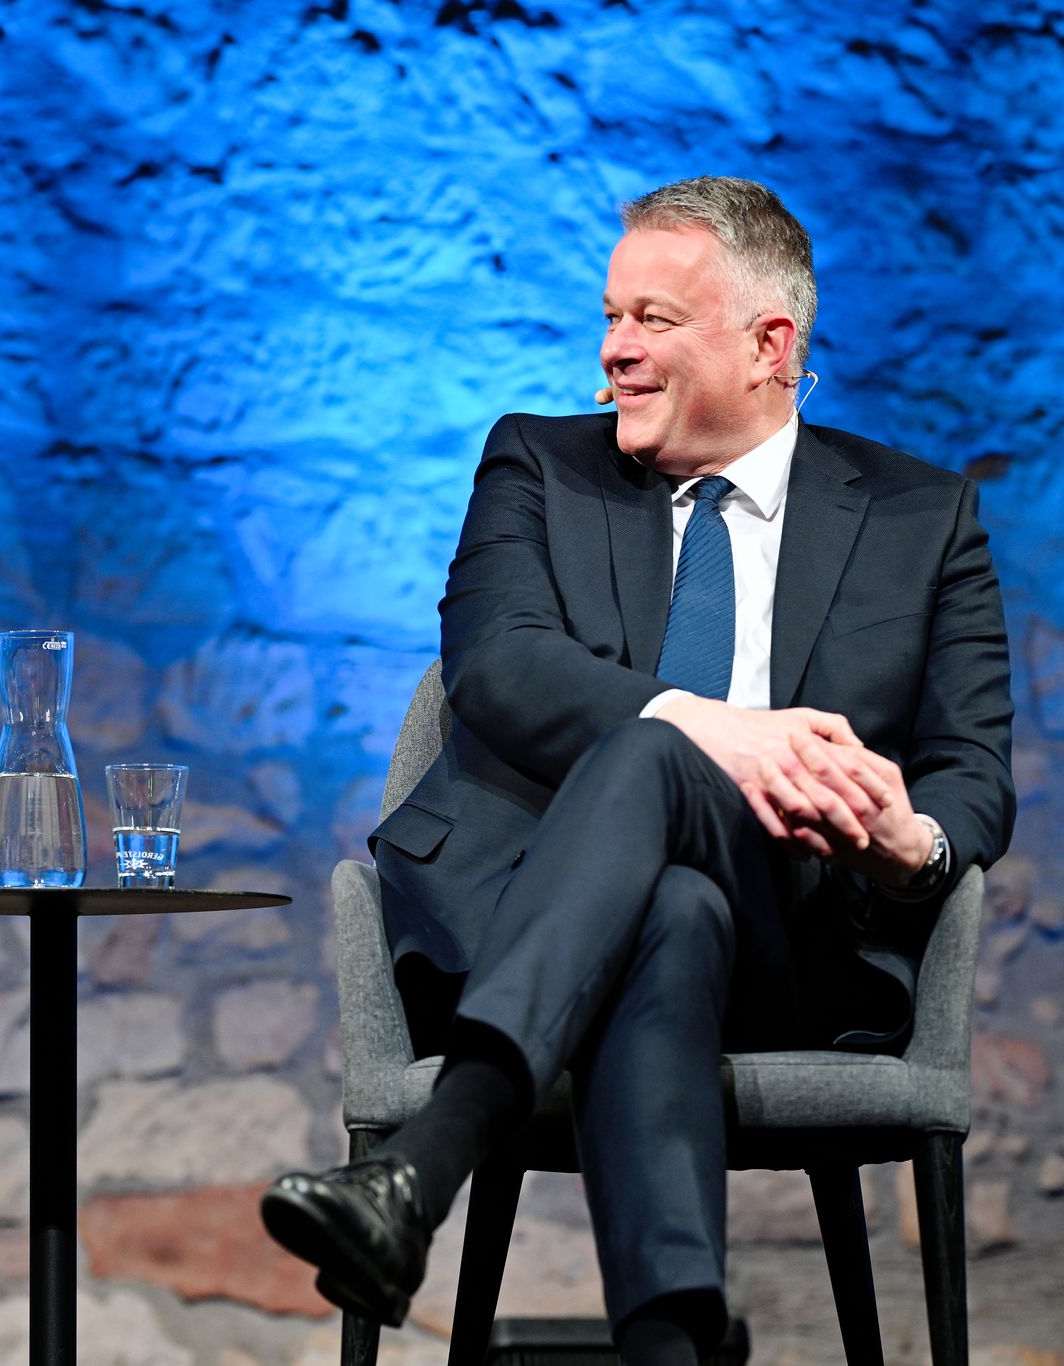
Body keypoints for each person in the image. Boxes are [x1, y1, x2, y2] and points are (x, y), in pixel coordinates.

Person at [261, 176, 1013, 1365]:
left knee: (666, 763)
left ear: (769, 344)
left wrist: (904, 840)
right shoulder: (535, 464)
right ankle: (669, 1344)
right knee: (667, 887)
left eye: (652, 320)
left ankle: (428, 1161)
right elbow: (497, 669)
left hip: (798, 931)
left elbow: (970, 772)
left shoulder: (921, 517)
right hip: (523, 918)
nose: (613, 350)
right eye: (609, 317)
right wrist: (722, 729)